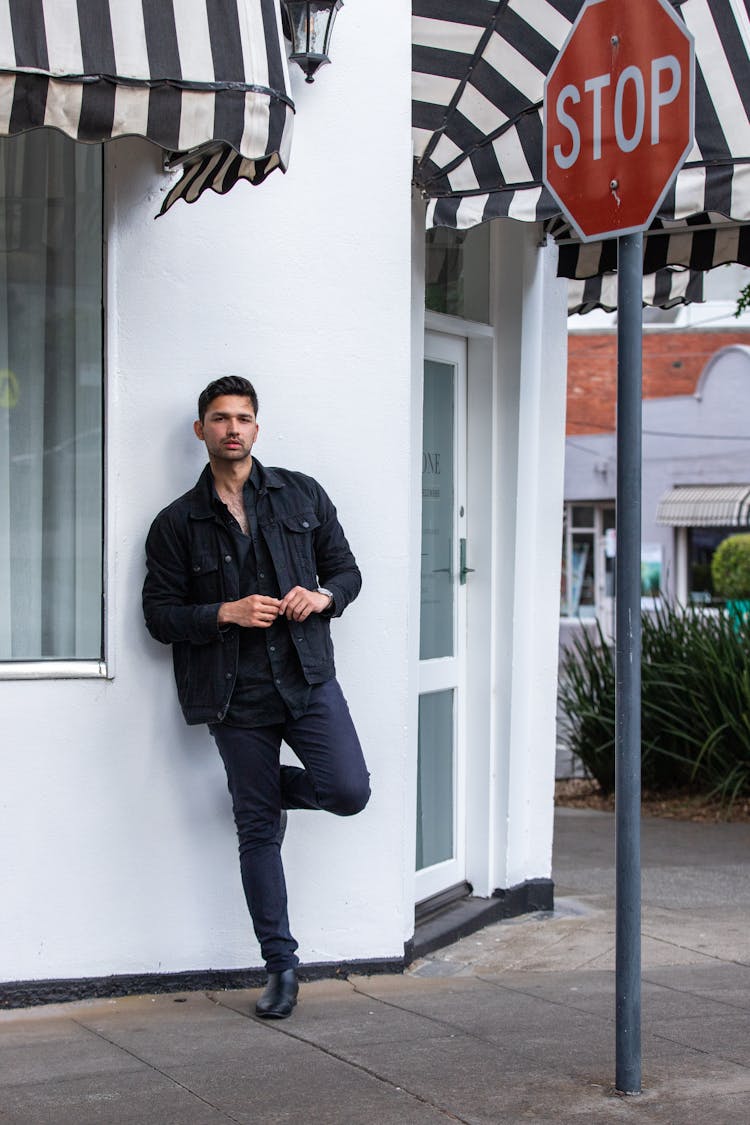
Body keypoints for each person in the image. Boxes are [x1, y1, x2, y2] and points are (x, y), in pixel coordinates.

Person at [142, 376, 370, 1019]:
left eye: (243, 417)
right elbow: (159, 617)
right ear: (202, 431)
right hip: (232, 694)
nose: (232, 428)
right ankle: (281, 967)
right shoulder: (175, 524)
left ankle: (261, 790)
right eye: (220, 418)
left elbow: (346, 571)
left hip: (305, 677)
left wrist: (324, 597)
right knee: (258, 830)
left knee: (348, 791)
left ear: (256, 428)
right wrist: (226, 611)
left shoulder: (302, 493)